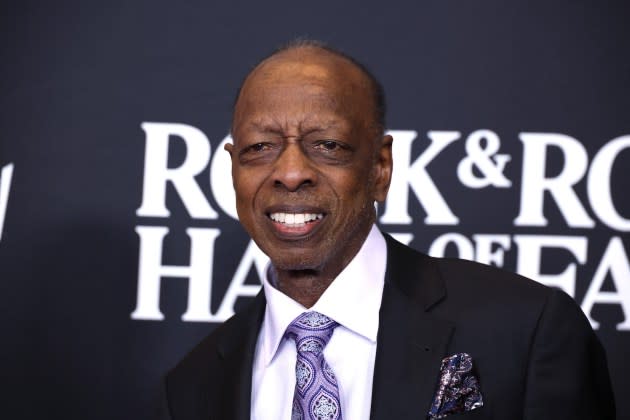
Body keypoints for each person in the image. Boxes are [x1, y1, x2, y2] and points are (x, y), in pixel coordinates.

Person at [159, 40, 615, 420]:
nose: (291, 172)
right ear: (233, 169)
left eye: (327, 145)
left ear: (380, 166)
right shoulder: (193, 387)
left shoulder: (527, 329)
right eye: (260, 147)